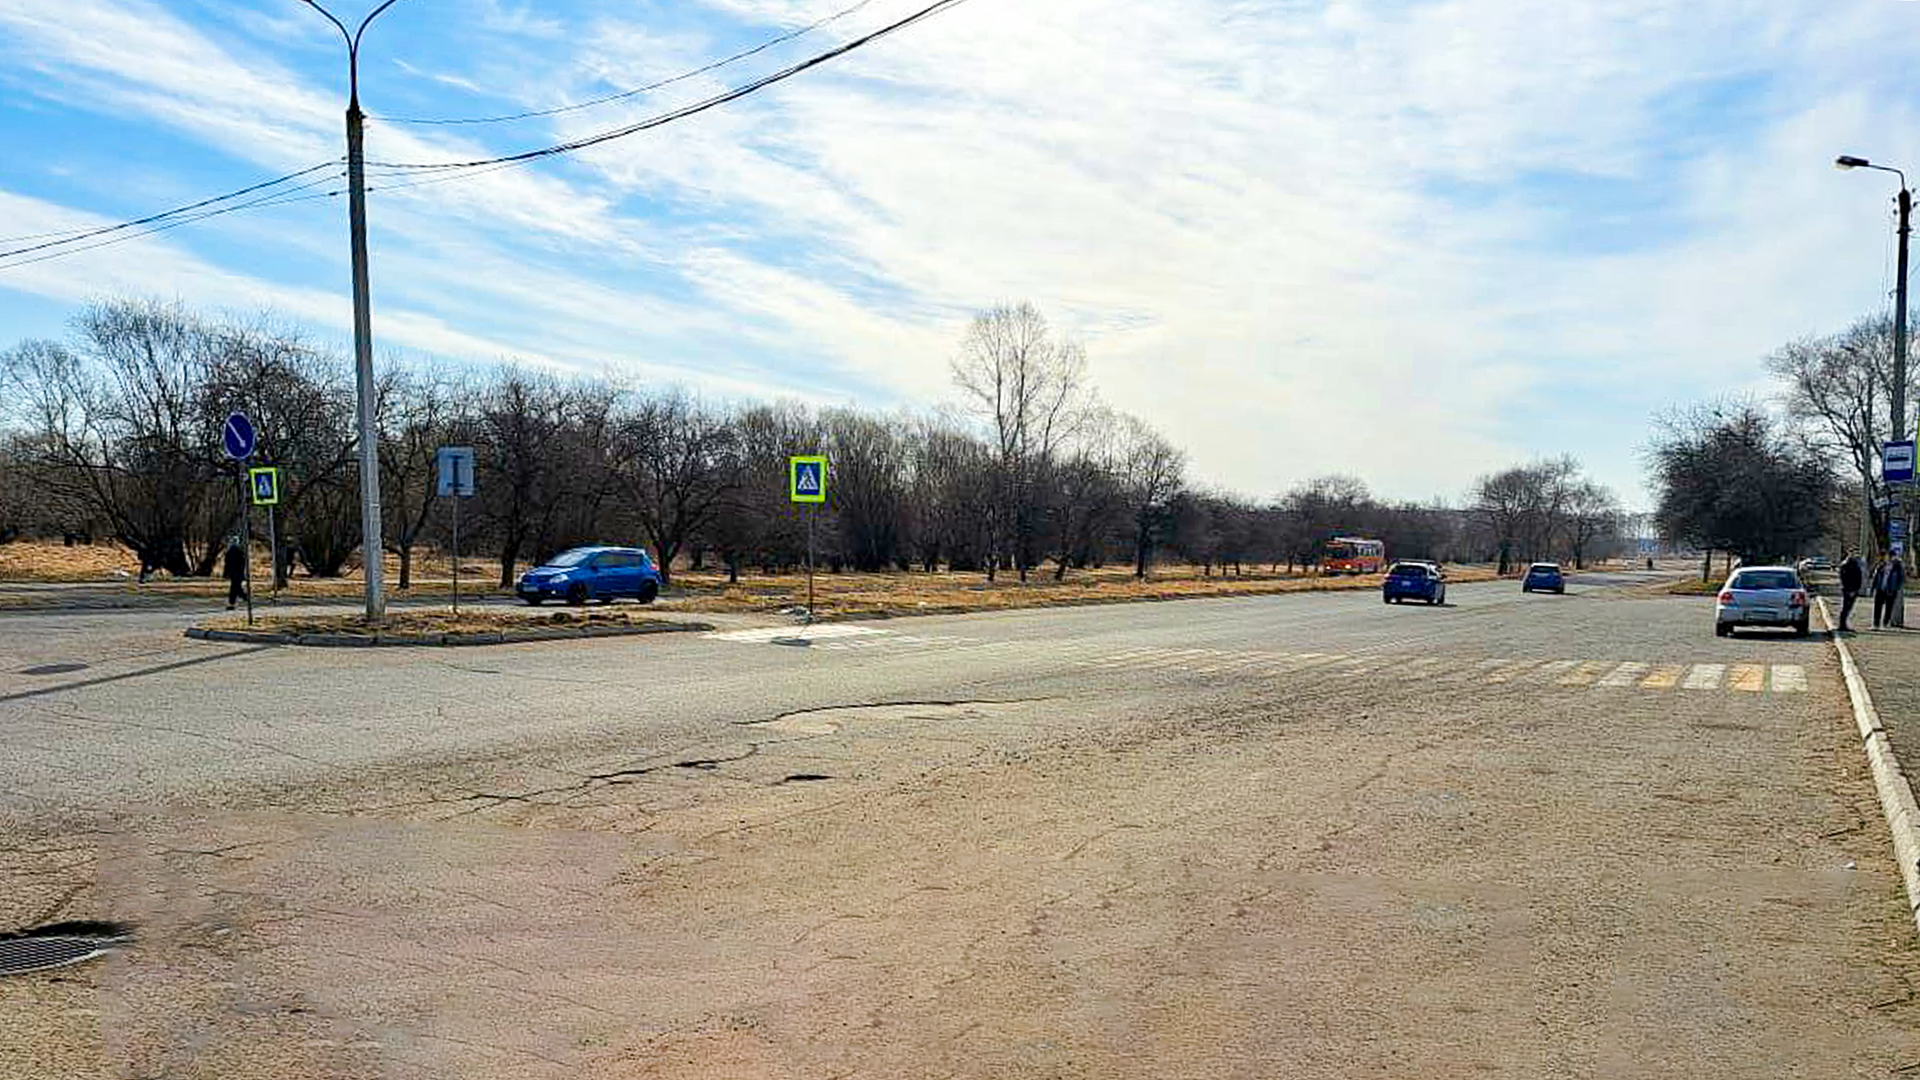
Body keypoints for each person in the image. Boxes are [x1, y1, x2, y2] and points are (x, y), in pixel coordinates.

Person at [1873, 552, 1906, 629]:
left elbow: (1901, 579)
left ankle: (1886, 623)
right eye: (1887, 557)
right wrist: (1874, 587)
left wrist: (1896, 588)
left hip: (1890, 589)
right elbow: (1876, 577)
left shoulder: (1897, 567)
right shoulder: (1881, 566)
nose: (1889, 559)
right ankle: (1876, 624)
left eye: (1891, 557)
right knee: (1877, 607)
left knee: (1889, 607)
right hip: (1880, 588)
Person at [1839, 549, 1865, 632]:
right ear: (1848, 554)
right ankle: (1842, 625)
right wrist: (1849, 589)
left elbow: (1859, 577)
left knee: (1849, 608)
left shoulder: (1856, 564)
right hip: (1848, 589)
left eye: (1855, 553)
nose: (1854, 555)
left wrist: (1857, 589)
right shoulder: (1845, 564)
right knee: (1846, 608)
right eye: (1852, 553)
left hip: (1855, 589)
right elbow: (1844, 578)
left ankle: (1844, 624)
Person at [223, 537, 248, 610]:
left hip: (233, 573)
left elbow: (227, 564)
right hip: (238, 573)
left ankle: (233, 603)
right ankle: (242, 598)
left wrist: (225, 573)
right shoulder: (240, 551)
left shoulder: (229, 552)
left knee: (234, 588)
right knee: (235, 588)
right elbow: (243, 564)